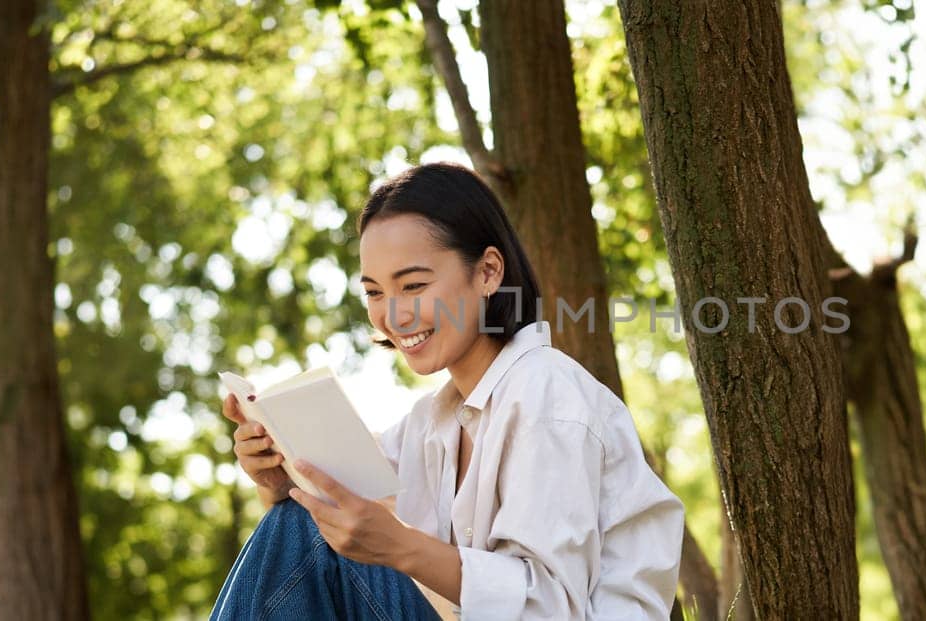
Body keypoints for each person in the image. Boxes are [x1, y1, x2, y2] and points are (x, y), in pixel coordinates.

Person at [210, 162, 685, 620]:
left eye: (413, 285)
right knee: (299, 522)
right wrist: (280, 482)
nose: (393, 317)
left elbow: (551, 610)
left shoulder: (548, 397)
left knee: (301, 533)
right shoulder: (429, 423)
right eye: (375, 293)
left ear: (487, 273)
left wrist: (401, 546)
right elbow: (331, 518)